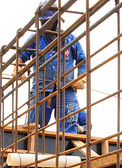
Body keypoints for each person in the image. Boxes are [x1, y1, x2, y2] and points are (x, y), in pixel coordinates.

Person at [17, 0, 87, 134]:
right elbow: (22, 55)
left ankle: (67, 151)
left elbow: (82, 60)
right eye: (44, 23)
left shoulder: (70, 38)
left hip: (67, 88)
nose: (47, 26)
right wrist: (18, 68)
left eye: (49, 22)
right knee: (32, 126)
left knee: (69, 125)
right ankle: (31, 149)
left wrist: (81, 77)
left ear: (57, 20)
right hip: (42, 89)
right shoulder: (35, 39)